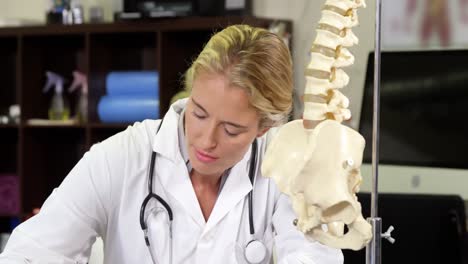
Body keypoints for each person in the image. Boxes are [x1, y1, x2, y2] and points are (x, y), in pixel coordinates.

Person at [0, 24, 343, 264]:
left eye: (231, 130)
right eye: (199, 113)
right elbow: (30, 253)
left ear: (265, 127)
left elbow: (314, 257)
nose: (206, 140)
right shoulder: (120, 157)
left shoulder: (285, 168)